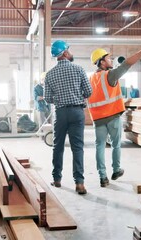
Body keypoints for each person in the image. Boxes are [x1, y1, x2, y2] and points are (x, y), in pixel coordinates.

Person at [88, 38, 141, 187]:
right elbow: (127, 64)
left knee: (100, 146)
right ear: (102, 62)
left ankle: (102, 177)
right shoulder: (109, 75)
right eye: (108, 58)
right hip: (112, 117)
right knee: (116, 145)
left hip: (98, 119)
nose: (110, 60)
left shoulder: (91, 78)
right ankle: (116, 169)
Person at [44, 40, 92, 195]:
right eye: (69, 50)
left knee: (57, 146)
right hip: (77, 112)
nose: (71, 53)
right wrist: (77, 95)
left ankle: (57, 179)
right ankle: (79, 183)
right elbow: (88, 91)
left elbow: (47, 98)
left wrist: (60, 99)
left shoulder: (50, 74)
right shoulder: (78, 69)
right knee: (77, 147)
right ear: (64, 53)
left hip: (60, 113)